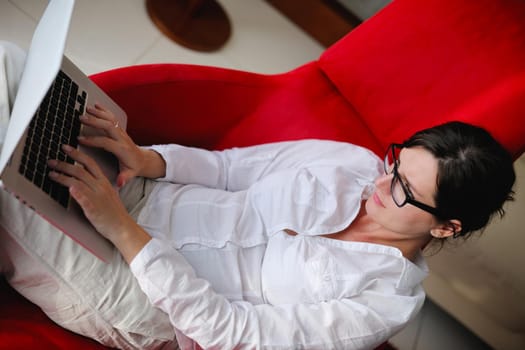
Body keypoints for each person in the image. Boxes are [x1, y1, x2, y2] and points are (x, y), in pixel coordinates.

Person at [0, 42, 516, 350]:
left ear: (445, 227)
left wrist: (123, 232)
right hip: (138, 196)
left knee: (6, 191)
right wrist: (146, 159)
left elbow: (231, 333)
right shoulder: (354, 163)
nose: (379, 186)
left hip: (137, 296)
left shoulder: (385, 303)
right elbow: (229, 169)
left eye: (405, 191)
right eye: (395, 164)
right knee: (11, 64)